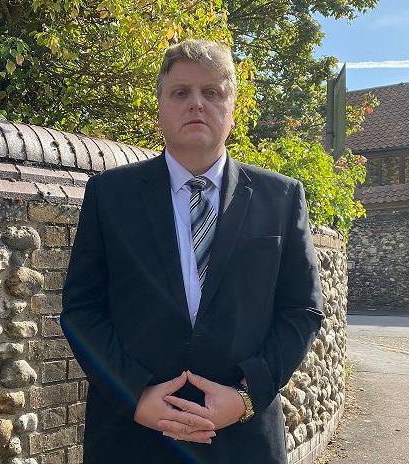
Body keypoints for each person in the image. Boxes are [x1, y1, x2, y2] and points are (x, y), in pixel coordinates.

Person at [61, 39, 324, 463]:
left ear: (232, 108)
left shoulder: (282, 198)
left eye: (212, 93)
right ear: (161, 106)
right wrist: (135, 395)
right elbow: (82, 308)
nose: (196, 104)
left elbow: (302, 310)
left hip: (242, 441)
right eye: (181, 93)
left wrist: (245, 396)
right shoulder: (109, 195)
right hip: (131, 438)